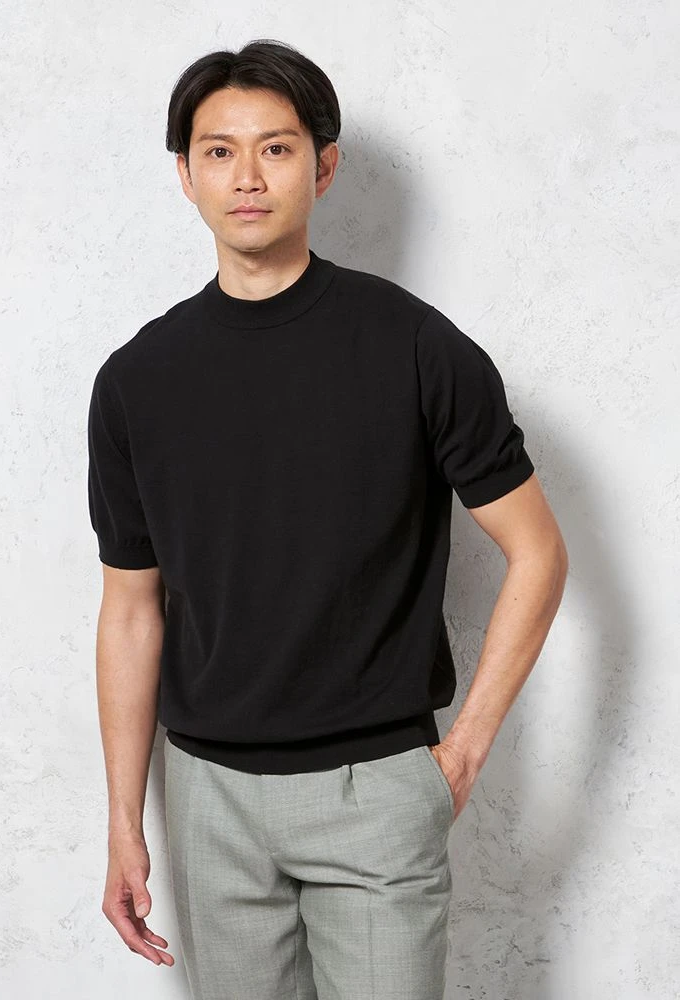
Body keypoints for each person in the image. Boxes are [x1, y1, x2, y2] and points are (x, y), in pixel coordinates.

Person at [86, 38, 568, 1000]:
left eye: (276, 147)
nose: (248, 176)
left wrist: (464, 750)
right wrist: (124, 822)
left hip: (375, 790)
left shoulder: (417, 347)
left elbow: (538, 553)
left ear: (325, 164)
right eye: (219, 151)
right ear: (185, 174)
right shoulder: (137, 379)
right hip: (210, 798)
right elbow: (132, 611)